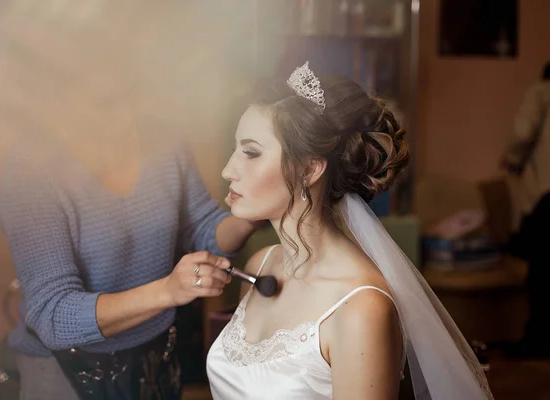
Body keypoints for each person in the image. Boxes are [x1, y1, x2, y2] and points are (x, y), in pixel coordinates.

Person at [0, 9, 260, 400]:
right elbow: (54, 314)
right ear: (57, 98)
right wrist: (168, 291)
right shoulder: (31, 171)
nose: (126, 119)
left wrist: (252, 210)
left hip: (155, 361)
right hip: (64, 373)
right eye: (104, 104)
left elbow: (204, 227)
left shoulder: (163, 139)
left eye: (129, 98)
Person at [207, 62, 492, 399]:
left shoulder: (361, 308)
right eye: (235, 148)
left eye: (251, 152)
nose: (228, 170)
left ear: (310, 169)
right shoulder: (260, 265)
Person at [502, 61, 550, 358]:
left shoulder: (542, 92)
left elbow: (522, 135)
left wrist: (512, 160)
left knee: (542, 271)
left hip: (547, 194)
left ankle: (537, 341)